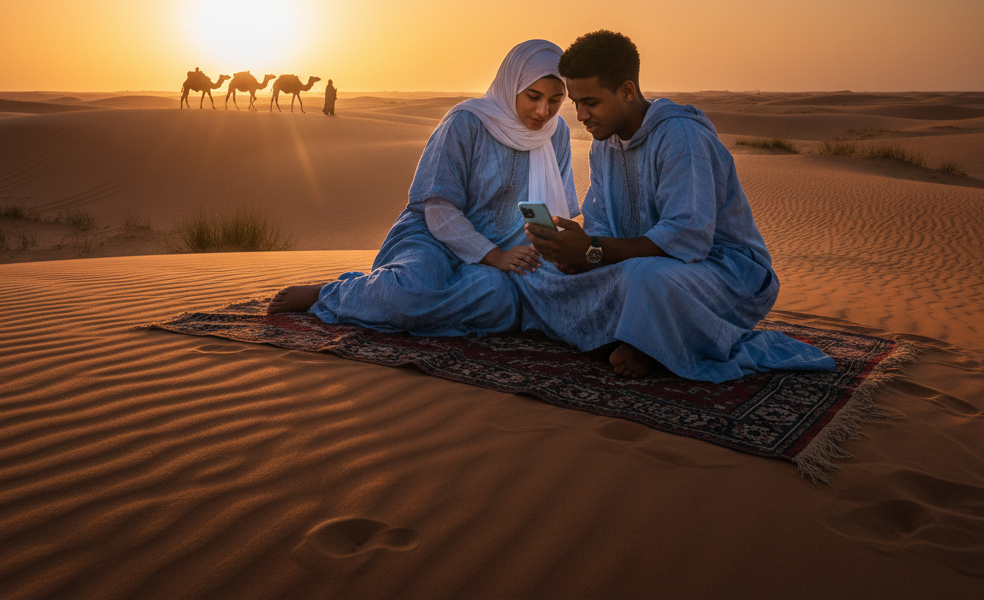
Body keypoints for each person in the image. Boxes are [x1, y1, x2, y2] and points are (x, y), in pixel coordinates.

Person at [519, 30, 834, 383]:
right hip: (640, 267)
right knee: (542, 272)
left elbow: (685, 243)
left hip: (724, 275)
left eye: (590, 102)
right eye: (575, 103)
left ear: (626, 91)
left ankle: (653, 346)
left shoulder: (682, 137)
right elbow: (603, 235)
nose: (580, 115)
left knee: (645, 277)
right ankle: (641, 333)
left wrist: (591, 248)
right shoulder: (603, 146)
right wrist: (580, 258)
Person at [267, 40, 579, 338]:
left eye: (555, 100)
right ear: (512, 86)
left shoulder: (556, 134)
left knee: (500, 299)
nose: (543, 112)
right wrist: (494, 255)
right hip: (433, 237)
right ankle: (330, 292)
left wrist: (550, 252)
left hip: (506, 250)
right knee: (410, 296)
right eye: (533, 96)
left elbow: (550, 212)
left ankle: (411, 291)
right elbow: (439, 208)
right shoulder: (467, 122)